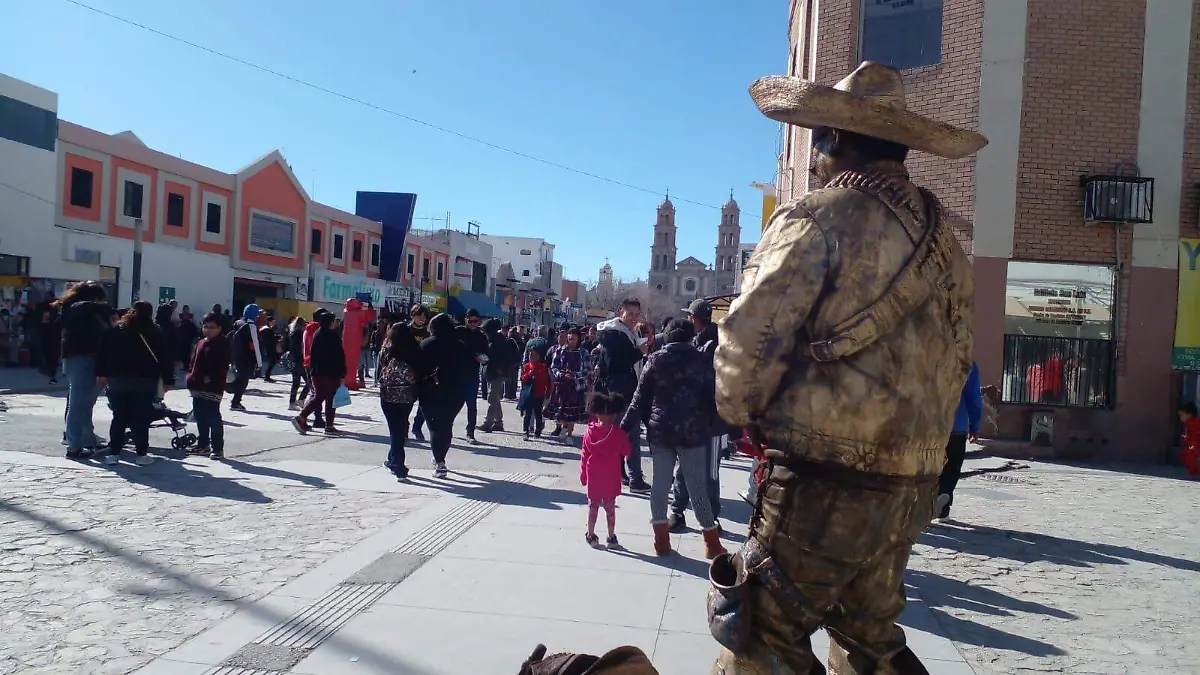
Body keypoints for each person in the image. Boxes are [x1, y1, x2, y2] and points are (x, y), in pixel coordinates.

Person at [710, 62, 983, 673]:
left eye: (819, 143)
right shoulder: (947, 245)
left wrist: (742, 412)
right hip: (910, 481)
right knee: (869, 635)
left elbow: (749, 340)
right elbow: (960, 357)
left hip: (821, 476)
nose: (815, 161)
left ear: (832, 140)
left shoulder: (817, 217)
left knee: (760, 633)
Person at [622, 318, 726, 560]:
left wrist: (622, 428)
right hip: (692, 432)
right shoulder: (702, 361)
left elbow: (638, 400)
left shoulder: (656, 360)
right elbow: (714, 397)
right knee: (697, 486)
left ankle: (661, 541)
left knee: (660, 484)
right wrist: (717, 426)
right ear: (691, 337)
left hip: (661, 432)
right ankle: (711, 544)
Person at [668, 299, 725, 533]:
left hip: (705, 418)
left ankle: (688, 512)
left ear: (693, 318)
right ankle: (683, 511)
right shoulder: (707, 343)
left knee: (700, 469)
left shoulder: (710, 346)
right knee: (691, 466)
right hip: (706, 418)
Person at [96, 300, 175, 466]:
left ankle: (114, 453)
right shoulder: (154, 331)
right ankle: (141, 454)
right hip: (145, 380)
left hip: (118, 380)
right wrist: (168, 380)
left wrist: (101, 373)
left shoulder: (117, 330)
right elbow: (165, 357)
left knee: (118, 417)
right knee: (140, 418)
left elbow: (103, 352)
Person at [596, 297, 652, 493]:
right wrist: (638, 352)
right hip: (620, 391)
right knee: (630, 435)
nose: (634, 318)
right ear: (622, 313)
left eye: (637, 315)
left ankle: (620, 474)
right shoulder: (613, 334)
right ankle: (634, 477)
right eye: (630, 314)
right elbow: (614, 364)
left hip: (625, 389)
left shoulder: (629, 332)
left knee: (620, 434)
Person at [56, 281, 112, 459]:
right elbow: (92, 309)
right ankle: (74, 446)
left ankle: (87, 439)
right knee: (79, 403)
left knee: (85, 403)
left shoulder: (79, 311)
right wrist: (104, 309)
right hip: (82, 358)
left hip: (82, 358)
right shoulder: (78, 308)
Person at [416, 313, 469, 478]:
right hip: (455, 393)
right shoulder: (460, 345)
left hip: (429, 391)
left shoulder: (426, 344)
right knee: (446, 425)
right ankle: (440, 458)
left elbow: (417, 369)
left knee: (434, 427)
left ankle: (440, 462)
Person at [580, 391, 630, 549]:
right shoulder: (618, 433)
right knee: (610, 508)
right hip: (612, 475)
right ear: (614, 415)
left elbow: (584, 455)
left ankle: (591, 535)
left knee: (593, 506)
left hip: (593, 473)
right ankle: (611, 536)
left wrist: (583, 474)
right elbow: (627, 451)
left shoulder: (588, 433)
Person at [936, 361, 982, 519]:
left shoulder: (929, 353)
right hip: (957, 425)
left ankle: (926, 505)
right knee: (952, 468)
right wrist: (975, 426)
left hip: (929, 425)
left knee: (929, 466)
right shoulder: (967, 363)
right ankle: (943, 506)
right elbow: (974, 398)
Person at [292, 311, 345, 434]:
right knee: (330, 398)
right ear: (331, 322)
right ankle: (329, 425)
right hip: (330, 372)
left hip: (316, 371)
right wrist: (342, 373)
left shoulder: (317, 333)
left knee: (319, 396)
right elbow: (338, 356)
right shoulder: (333, 336)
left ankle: (301, 417)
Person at [378, 322, 420, 479]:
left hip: (388, 394)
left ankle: (399, 466)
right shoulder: (415, 349)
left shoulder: (387, 350)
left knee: (395, 430)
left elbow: (379, 371)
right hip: (407, 395)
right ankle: (392, 459)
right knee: (400, 427)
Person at [187, 312, 231, 459]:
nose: (208, 330)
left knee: (213, 417)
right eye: (205, 327)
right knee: (200, 416)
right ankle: (203, 444)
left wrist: (209, 378)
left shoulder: (223, 344)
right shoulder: (201, 342)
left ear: (219, 328)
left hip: (213, 387)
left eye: (212, 327)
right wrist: (190, 377)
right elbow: (193, 362)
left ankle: (217, 448)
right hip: (197, 386)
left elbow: (222, 366)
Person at [546, 327, 591, 439]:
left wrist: (575, 375)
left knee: (572, 412)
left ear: (578, 338)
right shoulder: (560, 350)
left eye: (574, 334)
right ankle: (559, 428)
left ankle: (568, 433)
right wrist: (560, 374)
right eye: (570, 334)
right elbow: (554, 366)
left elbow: (588, 370)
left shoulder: (583, 352)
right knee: (559, 408)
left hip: (576, 385)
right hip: (561, 384)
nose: (571, 336)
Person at [455, 308, 490, 443]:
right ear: (465, 320)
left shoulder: (481, 336)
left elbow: (486, 353)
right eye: (470, 321)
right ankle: (447, 426)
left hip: (472, 373)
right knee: (453, 403)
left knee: (471, 404)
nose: (473, 324)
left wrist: (483, 359)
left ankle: (470, 432)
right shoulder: (458, 332)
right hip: (457, 373)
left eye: (476, 321)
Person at [481, 318, 520, 433]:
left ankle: (488, 423)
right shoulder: (492, 340)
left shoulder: (500, 341)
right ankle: (498, 423)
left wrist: (500, 369)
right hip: (491, 373)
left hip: (497, 374)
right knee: (495, 398)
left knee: (492, 398)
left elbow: (506, 358)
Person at [227, 304, 263, 411]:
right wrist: (260, 364)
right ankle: (235, 402)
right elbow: (256, 345)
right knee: (243, 381)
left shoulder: (238, 322)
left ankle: (234, 399)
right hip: (247, 358)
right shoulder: (251, 325)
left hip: (236, 356)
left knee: (239, 378)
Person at [300, 310, 327, 427]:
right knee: (318, 392)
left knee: (315, 392)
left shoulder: (307, 328)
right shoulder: (318, 329)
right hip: (316, 363)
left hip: (307, 361)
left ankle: (314, 417)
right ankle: (315, 417)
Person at [519, 348, 551, 441]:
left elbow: (547, 381)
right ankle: (526, 431)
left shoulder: (543, 367)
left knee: (538, 413)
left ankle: (538, 430)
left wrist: (548, 392)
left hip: (539, 393)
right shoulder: (527, 366)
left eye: (533, 355)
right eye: (530, 355)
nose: (531, 357)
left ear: (538, 356)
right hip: (529, 394)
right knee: (528, 413)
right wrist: (529, 374)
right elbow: (522, 379)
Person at [287, 316, 309, 409]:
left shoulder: (291, 334)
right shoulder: (300, 334)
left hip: (293, 360)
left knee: (295, 382)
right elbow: (301, 348)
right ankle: (301, 399)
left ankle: (292, 402)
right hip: (300, 360)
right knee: (309, 382)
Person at [1178, 401, 1200, 478]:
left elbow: (1195, 435)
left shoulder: (1193, 423)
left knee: (1190, 457)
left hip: (1195, 447)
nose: (1180, 418)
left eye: (1182, 415)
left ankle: (1195, 473)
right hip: (1194, 446)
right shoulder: (1191, 423)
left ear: (1189, 415)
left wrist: (1192, 444)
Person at [259, 316, 281, 382]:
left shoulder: (267, 329)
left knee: (271, 362)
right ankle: (267, 376)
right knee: (272, 362)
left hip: (268, 347)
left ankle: (266, 376)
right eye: (273, 322)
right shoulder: (267, 329)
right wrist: (277, 338)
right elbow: (270, 339)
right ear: (269, 322)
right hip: (269, 348)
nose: (274, 323)